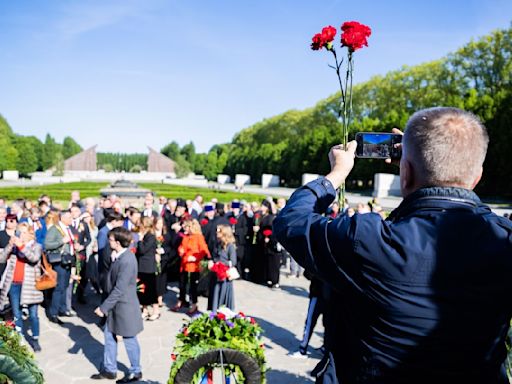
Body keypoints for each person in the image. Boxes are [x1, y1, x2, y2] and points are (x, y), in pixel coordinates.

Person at [274, 107, 512, 383]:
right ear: (477, 177)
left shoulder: (371, 240)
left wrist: (336, 174)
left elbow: (291, 222)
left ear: (406, 174)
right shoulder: (505, 241)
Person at [92, 227, 143, 382]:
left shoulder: (127, 260)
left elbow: (120, 288)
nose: (109, 241)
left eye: (112, 239)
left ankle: (135, 371)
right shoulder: (120, 256)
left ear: (119, 242)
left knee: (129, 338)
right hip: (115, 306)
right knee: (109, 336)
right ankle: (110, 369)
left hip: (124, 307)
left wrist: (103, 307)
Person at [0, 223, 44, 351]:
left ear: (31, 233)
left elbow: (33, 258)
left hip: (30, 286)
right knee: (16, 314)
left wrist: (21, 245)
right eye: (20, 232)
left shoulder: (37, 246)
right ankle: (18, 339)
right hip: (14, 284)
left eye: (24, 232)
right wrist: (10, 245)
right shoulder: (14, 247)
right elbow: (2, 259)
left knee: (33, 315)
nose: (22, 235)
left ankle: (35, 338)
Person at [173, 218, 210, 314]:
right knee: (181, 284)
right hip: (184, 264)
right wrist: (180, 250)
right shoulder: (186, 237)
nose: (184, 228)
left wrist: (195, 258)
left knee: (193, 286)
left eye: (186, 227)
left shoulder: (198, 237)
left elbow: (204, 250)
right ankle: (181, 300)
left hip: (194, 266)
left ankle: (194, 304)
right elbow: (182, 246)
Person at [207, 224, 237, 313]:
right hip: (216, 274)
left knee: (223, 293)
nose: (216, 233)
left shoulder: (230, 246)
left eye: (219, 231)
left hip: (224, 276)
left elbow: (233, 262)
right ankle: (214, 311)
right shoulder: (217, 244)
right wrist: (212, 262)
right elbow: (214, 256)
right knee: (215, 292)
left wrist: (221, 263)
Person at [136, 216, 160, 321]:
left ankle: (156, 310)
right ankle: (145, 310)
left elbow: (143, 250)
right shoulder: (146, 235)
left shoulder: (150, 236)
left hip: (148, 266)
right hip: (141, 266)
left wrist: (140, 240)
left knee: (150, 289)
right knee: (142, 289)